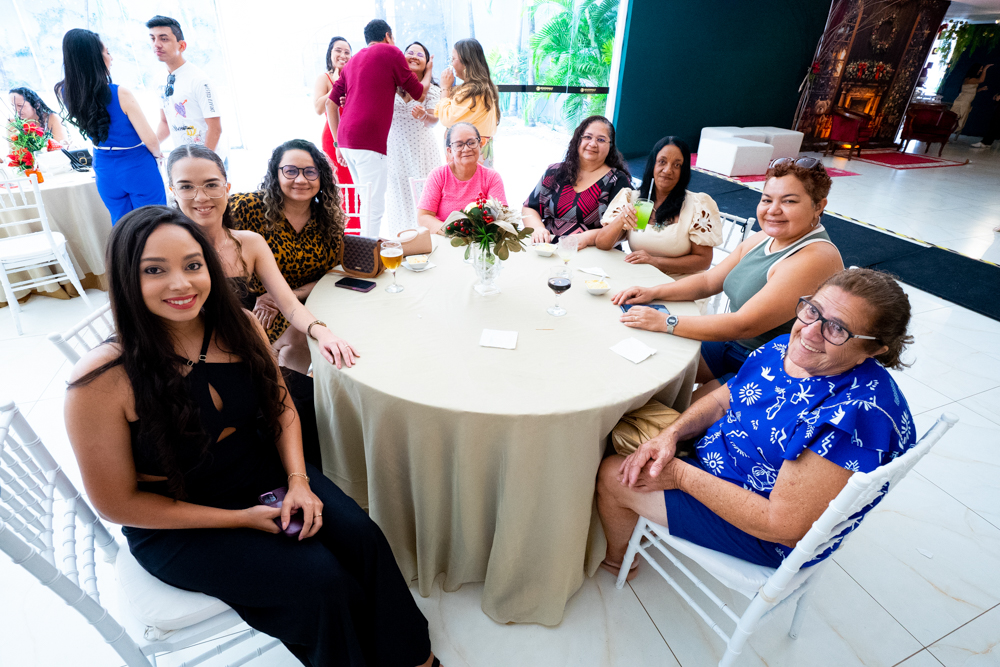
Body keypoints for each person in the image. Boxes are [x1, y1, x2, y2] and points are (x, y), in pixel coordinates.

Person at [64, 206, 440, 667]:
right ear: (126, 278)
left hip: (259, 471)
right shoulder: (102, 380)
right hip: (177, 519)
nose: (181, 284)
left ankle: (414, 658)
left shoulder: (239, 326)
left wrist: (299, 480)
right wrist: (240, 519)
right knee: (321, 584)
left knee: (364, 538)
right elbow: (117, 503)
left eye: (193, 265)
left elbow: (281, 407)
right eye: (154, 270)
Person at [598, 268, 917, 577]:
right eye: (812, 311)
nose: (808, 332)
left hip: (766, 529)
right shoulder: (785, 347)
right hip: (725, 465)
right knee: (627, 424)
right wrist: (672, 434)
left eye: (837, 328)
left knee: (614, 474)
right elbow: (724, 399)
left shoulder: (854, 416)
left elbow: (783, 526)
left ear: (873, 349)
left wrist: (680, 475)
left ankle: (618, 561)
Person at [612, 157, 844, 397]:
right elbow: (709, 281)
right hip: (730, 343)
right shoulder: (766, 236)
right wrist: (652, 292)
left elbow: (745, 324)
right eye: (767, 199)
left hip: (769, 365)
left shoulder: (815, 257)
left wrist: (666, 321)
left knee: (682, 409)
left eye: (789, 201)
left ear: (819, 206)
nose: (773, 210)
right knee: (647, 372)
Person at [167, 142, 356, 376]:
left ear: (226, 188)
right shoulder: (164, 248)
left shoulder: (249, 242)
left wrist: (322, 332)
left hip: (251, 344)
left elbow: (290, 303)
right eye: (186, 186)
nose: (201, 197)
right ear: (172, 190)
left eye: (211, 185)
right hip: (191, 363)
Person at [327, 19, 433, 238]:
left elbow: (330, 103)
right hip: (368, 141)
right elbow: (419, 94)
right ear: (387, 36)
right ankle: (368, 255)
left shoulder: (353, 61)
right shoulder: (391, 52)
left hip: (346, 141)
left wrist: (337, 143)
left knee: (365, 201)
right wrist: (429, 70)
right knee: (374, 207)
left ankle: (362, 250)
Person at [55, 29, 165, 223]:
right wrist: (158, 156)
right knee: (155, 222)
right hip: (136, 164)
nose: (111, 58)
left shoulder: (63, 91)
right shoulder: (120, 93)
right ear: (95, 58)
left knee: (123, 226)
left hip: (104, 167)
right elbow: (150, 139)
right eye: (107, 52)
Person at [596, 136, 722, 280]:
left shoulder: (697, 205)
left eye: (677, 165)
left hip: (680, 283)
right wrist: (621, 219)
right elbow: (602, 243)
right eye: (662, 162)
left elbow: (704, 261)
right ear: (652, 165)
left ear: (684, 171)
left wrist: (655, 262)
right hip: (640, 278)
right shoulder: (632, 198)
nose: (668, 170)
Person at [524, 115, 632, 248]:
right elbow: (530, 207)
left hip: (593, 253)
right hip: (548, 248)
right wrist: (537, 228)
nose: (592, 144)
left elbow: (620, 230)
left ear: (610, 146)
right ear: (578, 140)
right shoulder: (554, 171)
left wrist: (585, 238)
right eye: (587, 137)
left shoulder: (617, 180)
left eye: (601, 139)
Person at [147, 16, 229, 165]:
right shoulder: (158, 80)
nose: (156, 44)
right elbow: (165, 122)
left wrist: (203, 163)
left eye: (164, 39)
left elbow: (215, 128)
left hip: (211, 161)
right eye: (153, 38)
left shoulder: (199, 80)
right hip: (185, 161)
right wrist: (148, 147)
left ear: (182, 46)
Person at [384, 41, 442, 237]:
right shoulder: (389, 85)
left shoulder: (432, 90)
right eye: (410, 52)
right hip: (395, 149)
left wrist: (424, 116)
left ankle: (427, 239)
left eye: (420, 54)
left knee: (425, 194)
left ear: (426, 63)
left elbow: (434, 121)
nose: (414, 56)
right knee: (399, 194)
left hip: (422, 149)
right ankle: (401, 240)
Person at [417, 123, 507, 234]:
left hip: (481, 238)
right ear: (449, 151)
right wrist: (452, 232)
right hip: (444, 237)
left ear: (480, 145)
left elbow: (501, 217)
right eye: (459, 145)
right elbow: (424, 216)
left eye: (471, 143)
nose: (466, 148)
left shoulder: (492, 177)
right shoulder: (438, 175)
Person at [313, 36, 360, 233]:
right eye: (338, 51)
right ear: (330, 54)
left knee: (356, 187)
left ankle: (357, 233)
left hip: (354, 137)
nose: (343, 55)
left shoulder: (356, 76)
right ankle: (339, 232)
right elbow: (318, 107)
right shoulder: (324, 78)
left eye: (347, 52)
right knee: (338, 187)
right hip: (332, 138)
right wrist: (337, 86)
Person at [436, 38, 500, 168]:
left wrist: (445, 88)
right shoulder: (482, 87)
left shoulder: (474, 91)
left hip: (468, 153)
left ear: (466, 62)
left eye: (453, 59)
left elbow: (447, 119)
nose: (451, 64)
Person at [951, 62, 993, 138]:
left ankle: (949, 133)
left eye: (981, 69)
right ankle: (949, 133)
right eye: (980, 69)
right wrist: (985, 69)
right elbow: (981, 80)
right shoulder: (972, 79)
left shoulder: (968, 79)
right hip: (964, 102)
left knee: (955, 118)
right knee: (959, 119)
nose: (980, 70)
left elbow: (971, 91)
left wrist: (981, 89)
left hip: (961, 100)